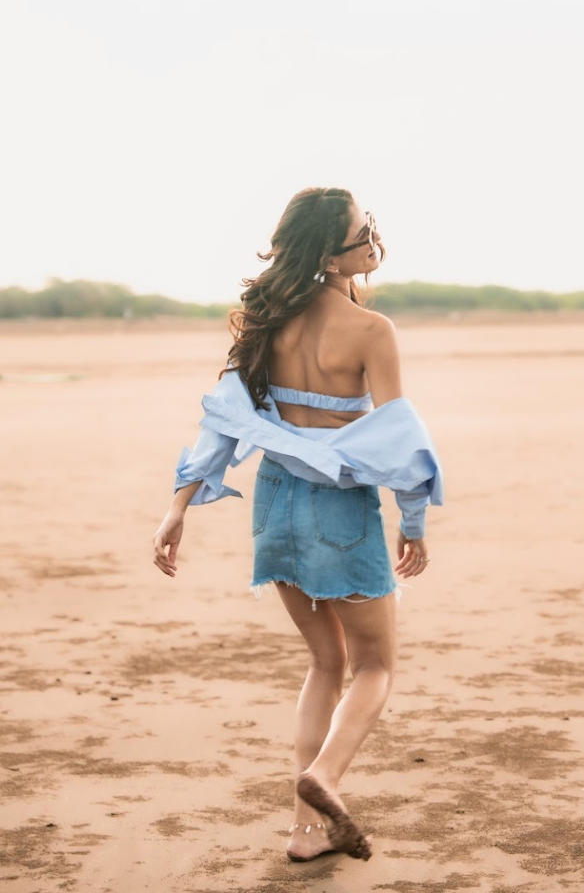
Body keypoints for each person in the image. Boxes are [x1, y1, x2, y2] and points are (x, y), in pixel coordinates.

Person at [153, 187, 443, 863]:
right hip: (338, 509)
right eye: (359, 228)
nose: (371, 235)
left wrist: (178, 506)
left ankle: (306, 832)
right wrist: (416, 521)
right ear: (328, 252)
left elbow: (224, 417)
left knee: (324, 661)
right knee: (374, 665)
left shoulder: (266, 322)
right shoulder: (374, 331)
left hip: (274, 506)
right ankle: (324, 778)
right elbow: (399, 440)